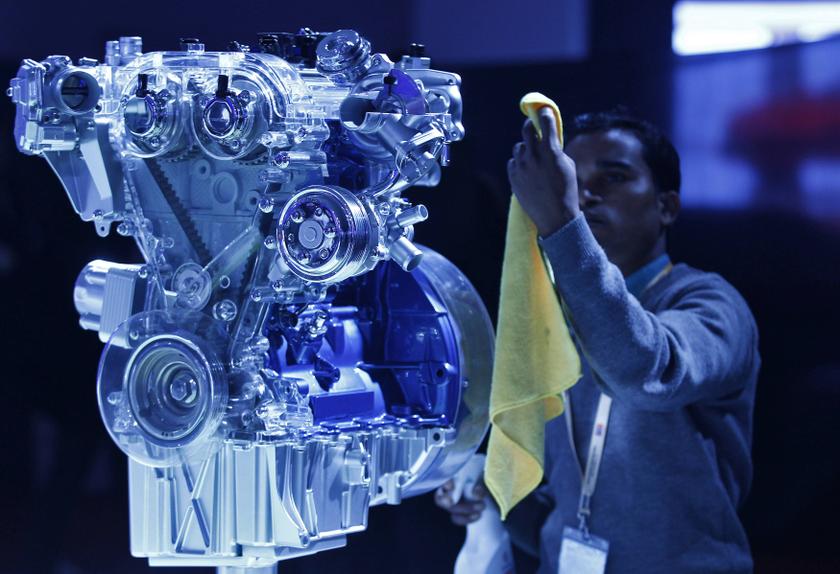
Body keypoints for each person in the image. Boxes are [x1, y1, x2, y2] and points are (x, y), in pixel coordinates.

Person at [435, 108, 760, 573]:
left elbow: (646, 373)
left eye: (614, 177)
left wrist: (562, 225)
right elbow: (564, 500)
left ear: (666, 206)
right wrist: (495, 497)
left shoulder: (711, 302)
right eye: (573, 178)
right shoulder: (559, 315)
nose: (585, 194)